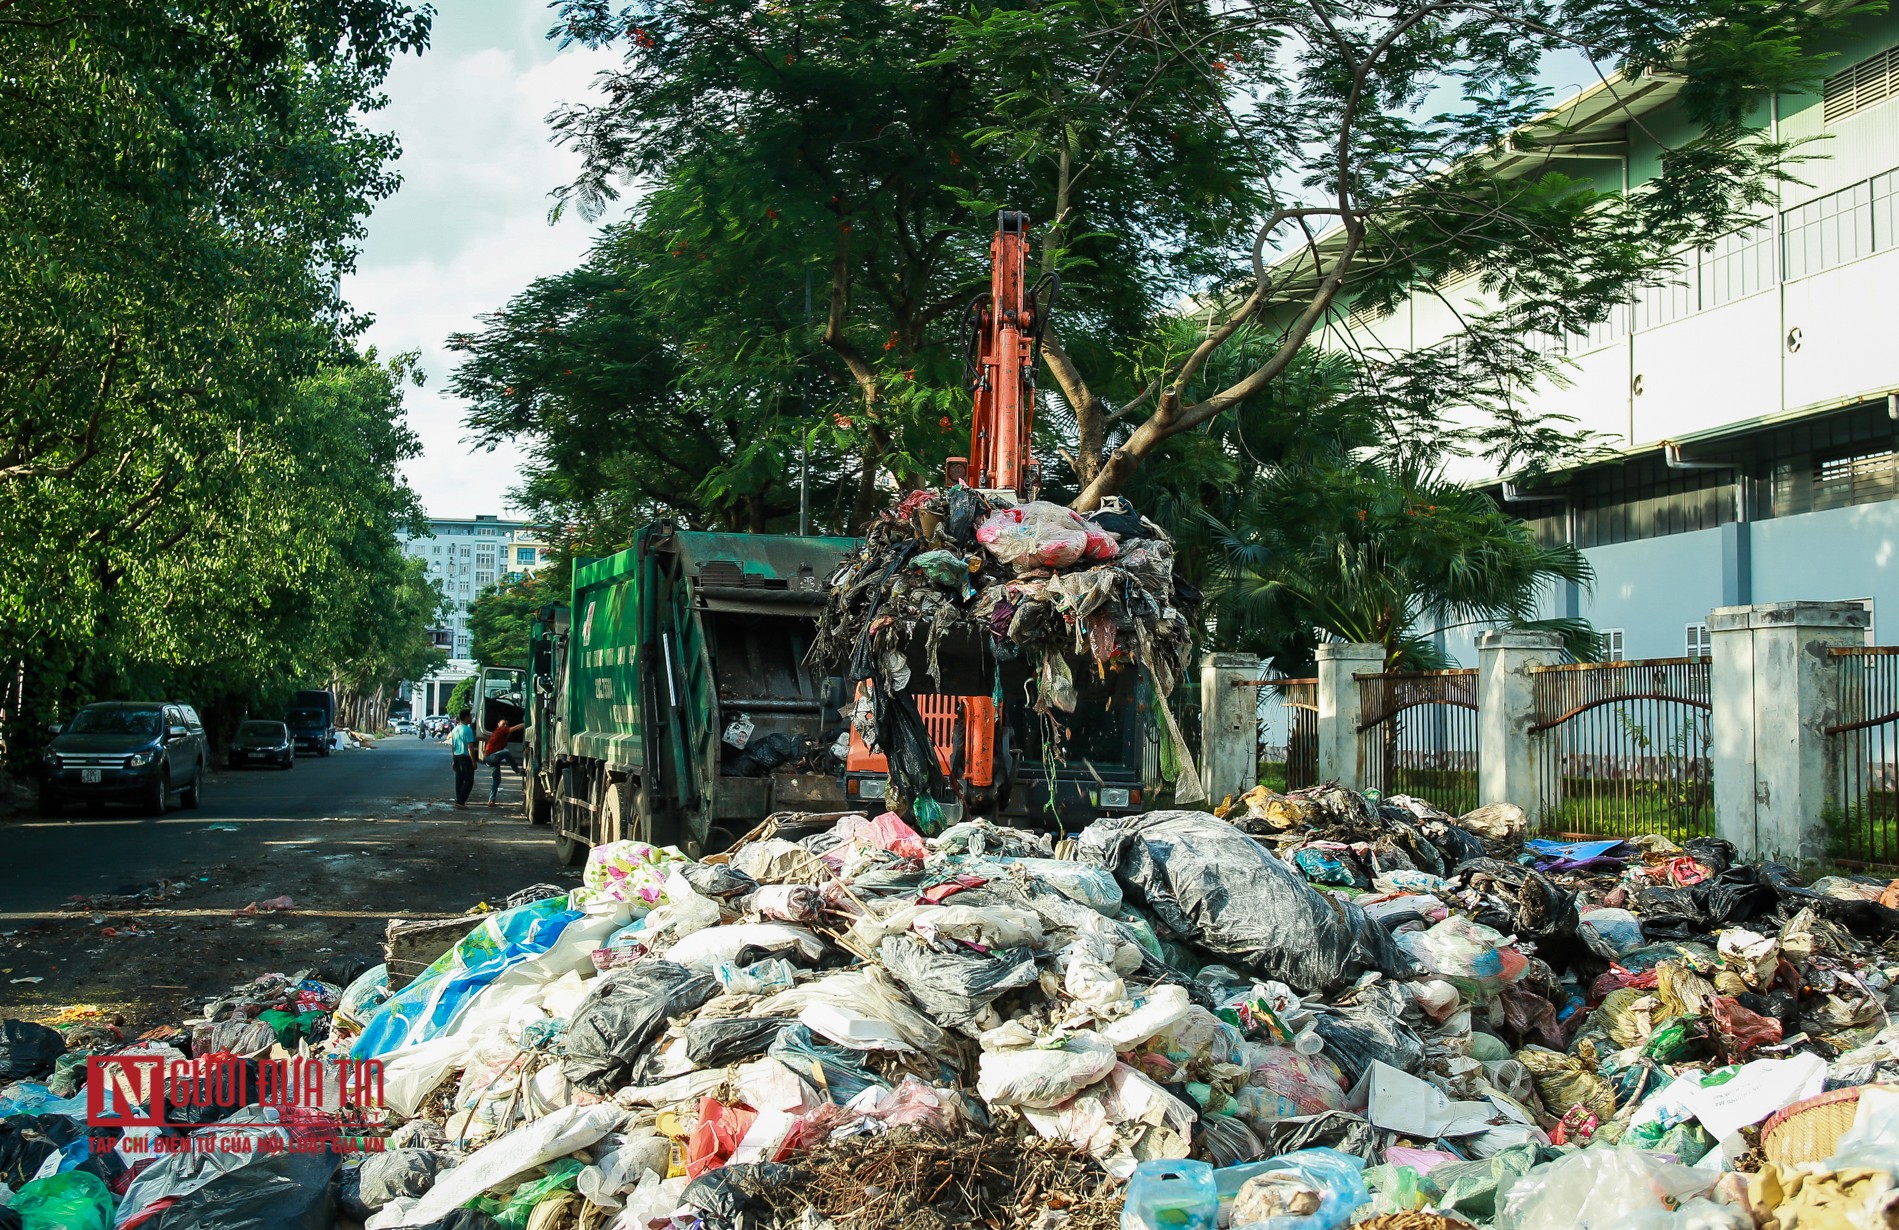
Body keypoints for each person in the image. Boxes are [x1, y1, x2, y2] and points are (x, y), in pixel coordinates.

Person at [483, 718, 524, 807]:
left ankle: (491, 801)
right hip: (490, 757)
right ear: (498, 725)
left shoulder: (502, 735)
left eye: (506, 724)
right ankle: (517, 770)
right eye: (503, 724)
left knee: (497, 780)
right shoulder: (499, 731)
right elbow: (515, 728)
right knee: (506, 752)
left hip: (493, 758)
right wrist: (526, 723)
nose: (505, 726)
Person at [449, 709, 477, 810]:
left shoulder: (455, 729)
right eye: (470, 716)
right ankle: (461, 801)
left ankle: (459, 800)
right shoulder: (467, 730)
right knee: (469, 780)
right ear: (466, 717)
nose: (471, 718)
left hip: (457, 756)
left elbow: (453, 746)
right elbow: (470, 746)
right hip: (465, 757)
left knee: (459, 779)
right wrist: (473, 760)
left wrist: (453, 759)